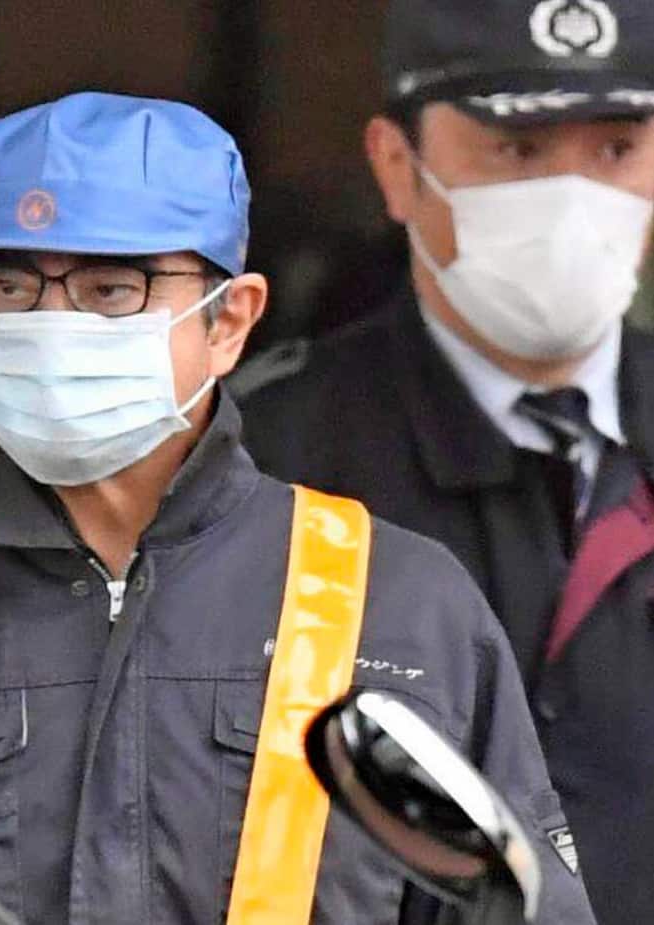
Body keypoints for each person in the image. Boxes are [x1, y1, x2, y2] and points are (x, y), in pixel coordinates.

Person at [0, 91, 593, 924]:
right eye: (7, 285)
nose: (48, 324)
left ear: (229, 321)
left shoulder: (401, 607)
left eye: (109, 288)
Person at [234, 2, 654, 922]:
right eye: (517, 151)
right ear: (396, 166)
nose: (572, 195)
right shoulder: (263, 454)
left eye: (616, 150)